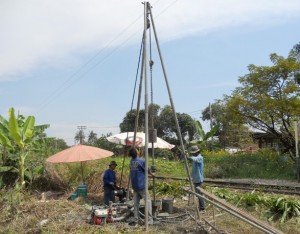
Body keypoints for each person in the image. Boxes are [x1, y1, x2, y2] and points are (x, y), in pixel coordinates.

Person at [129, 147, 154, 225]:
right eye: (137, 150)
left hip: (134, 185)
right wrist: (153, 174)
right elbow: (147, 170)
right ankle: (149, 220)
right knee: (148, 202)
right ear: (137, 153)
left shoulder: (131, 161)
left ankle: (136, 219)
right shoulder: (141, 161)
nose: (138, 151)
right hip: (141, 185)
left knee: (136, 204)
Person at [187, 145, 205, 212]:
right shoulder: (195, 157)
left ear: (196, 152)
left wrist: (189, 157)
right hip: (195, 179)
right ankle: (200, 207)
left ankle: (202, 208)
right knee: (198, 194)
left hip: (199, 179)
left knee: (200, 194)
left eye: (193, 153)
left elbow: (195, 159)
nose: (192, 154)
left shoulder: (200, 157)